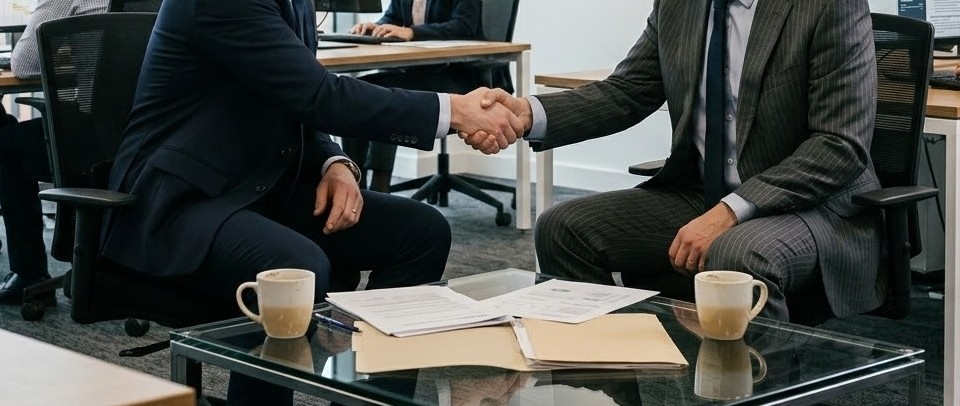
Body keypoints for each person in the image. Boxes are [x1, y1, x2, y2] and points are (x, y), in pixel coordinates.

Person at [101, 0, 520, 404]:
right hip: (184, 201)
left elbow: (294, 98)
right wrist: (455, 111)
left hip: (258, 185)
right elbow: (319, 96)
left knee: (420, 231)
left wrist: (335, 163)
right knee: (294, 268)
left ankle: (366, 399)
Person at [472, 0, 882, 323]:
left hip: (811, 208)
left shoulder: (830, 4)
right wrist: (527, 114)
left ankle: (754, 389)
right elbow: (628, 91)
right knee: (563, 229)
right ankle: (611, 381)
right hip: (703, 192)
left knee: (737, 255)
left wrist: (729, 213)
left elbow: (838, 144)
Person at [0, 0, 109, 305]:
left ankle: (31, 274)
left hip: (87, 138)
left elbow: (23, 65)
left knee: (5, 142)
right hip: (136, 136)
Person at [340, 0, 500, 192]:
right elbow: (393, 18)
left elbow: (464, 26)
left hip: (459, 79)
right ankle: (354, 181)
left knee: (386, 93)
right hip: (419, 74)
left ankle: (379, 186)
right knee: (359, 89)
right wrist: (378, 28)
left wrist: (412, 32)